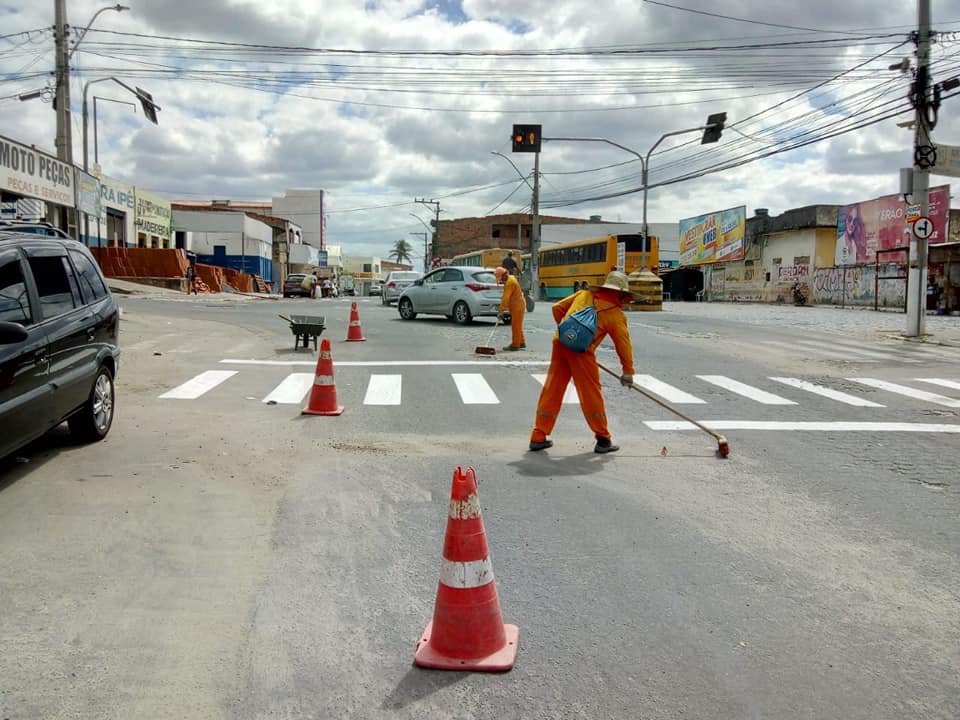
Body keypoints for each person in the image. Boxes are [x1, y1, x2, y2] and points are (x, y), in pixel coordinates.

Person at [529, 270, 637, 454]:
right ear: (621, 294)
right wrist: (628, 371)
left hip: (560, 342)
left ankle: (538, 435)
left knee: (553, 388)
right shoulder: (615, 314)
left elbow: (557, 308)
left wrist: (569, 334)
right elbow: (623, 344)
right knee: (590, 392)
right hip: (582, 353)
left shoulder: (583, 294)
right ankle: (603, 439)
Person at [495, 266, 525, 351]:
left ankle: (515, 345)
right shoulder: (511, 278)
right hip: (518, 305)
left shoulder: (509, 283)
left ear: (504, 275)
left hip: (517, 306)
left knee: (515, 326)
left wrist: (501, 310)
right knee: (517, 325)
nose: (501, 281)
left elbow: (505, 298)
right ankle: (521, 342)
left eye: (501, 278)